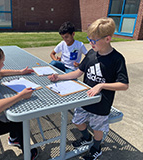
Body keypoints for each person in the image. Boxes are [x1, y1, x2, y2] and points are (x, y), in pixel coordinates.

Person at [48, 17, 129, 160]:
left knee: (98, 128)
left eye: (93, 40)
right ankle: (86, 138)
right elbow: (79, 72)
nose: (90, 43)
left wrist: (102, 85)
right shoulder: (91, 54)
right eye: (89, 39)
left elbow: (124, 85)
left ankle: (96, 147)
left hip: (101, 103)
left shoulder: (117, 59)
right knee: (77, 121)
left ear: (107, 39)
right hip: (85, 99)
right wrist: (59, 77)